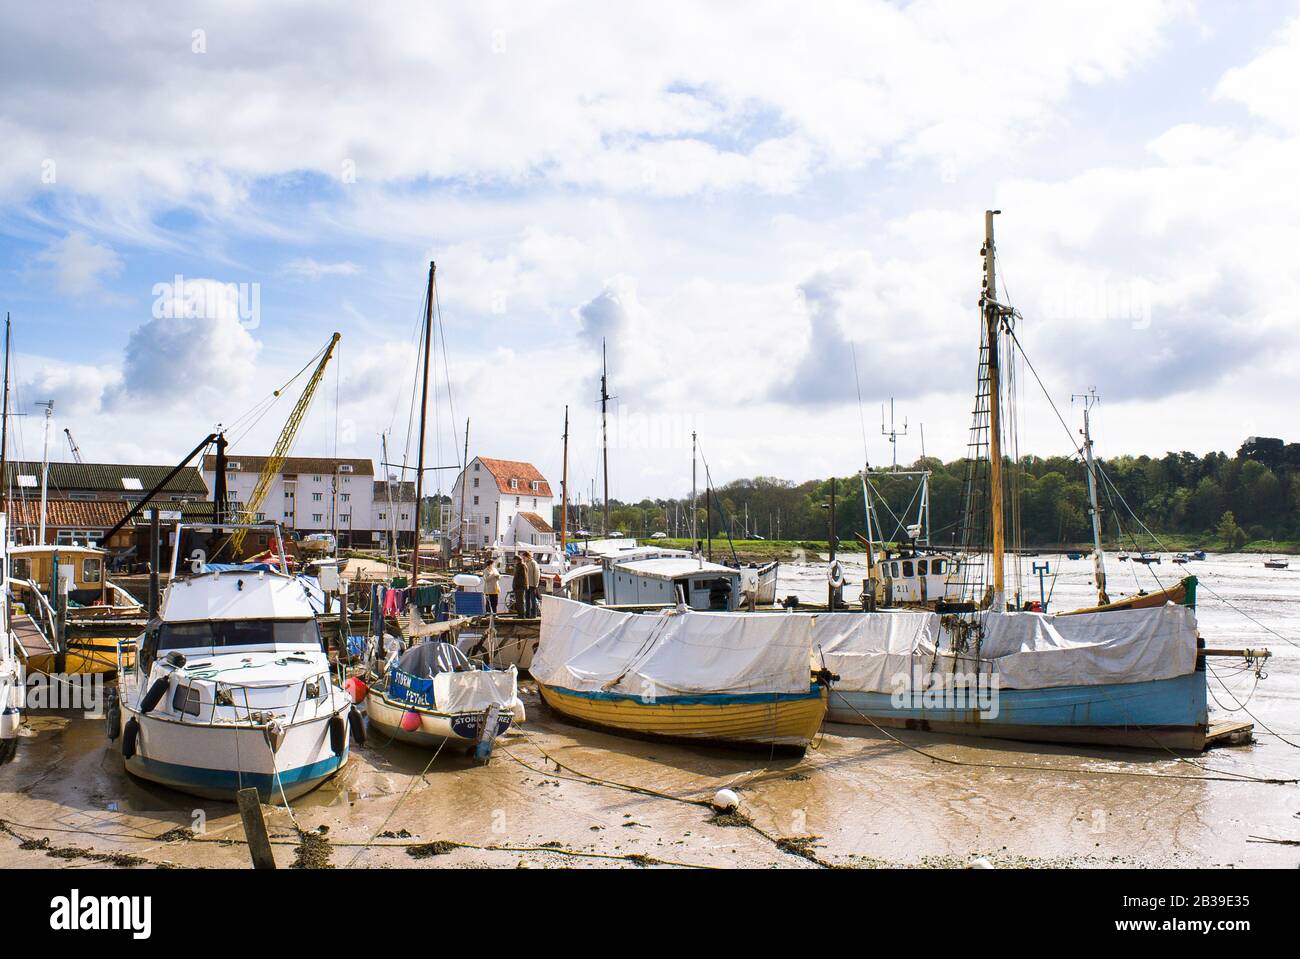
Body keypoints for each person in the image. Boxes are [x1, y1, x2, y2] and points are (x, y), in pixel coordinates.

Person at [524, 550, 541, 618]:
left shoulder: (533, 563)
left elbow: (537, 574)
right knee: (527, 599)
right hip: (527, 584)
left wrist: (536, 584)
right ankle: (527, 613)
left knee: (533, 599)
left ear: (527, 557)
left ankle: (534, 614)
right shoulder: (526, 563)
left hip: (532, 585)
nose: (523, 559)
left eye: (524, 557)